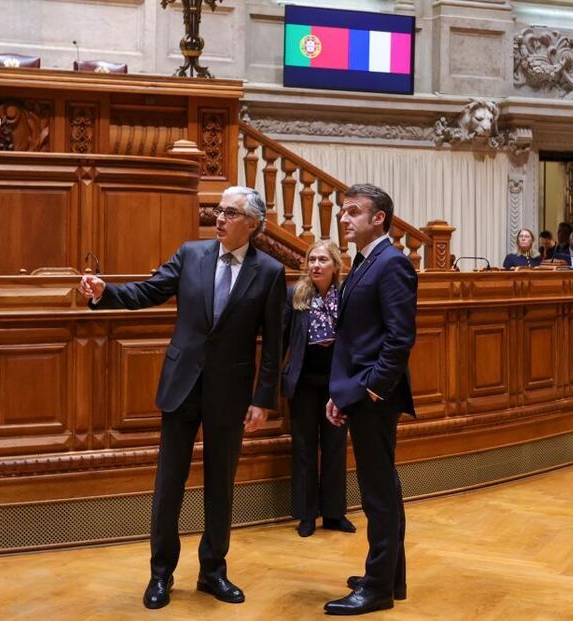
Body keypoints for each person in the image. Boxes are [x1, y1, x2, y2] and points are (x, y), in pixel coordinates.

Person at [78, 187, 285, 610]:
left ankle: (213, 571)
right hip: (181, 385)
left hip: (230, 392)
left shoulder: (270, 272)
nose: (219, 219)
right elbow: (150, 291)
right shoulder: (191, 254)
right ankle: (160, 574)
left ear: (252, 224)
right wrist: (105, 292)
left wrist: (263, 398)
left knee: (220, 485)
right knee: (168, 484)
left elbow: (274, 342)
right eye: (218, 211)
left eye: (230, 213)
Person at [323, 184, 417, 616]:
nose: (344, 218)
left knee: (378, 493)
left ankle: (377, 588)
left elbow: (400, 338)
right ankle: (390, 576)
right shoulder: (364, 261)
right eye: (343, 212)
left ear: (379, 218)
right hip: (359, 390)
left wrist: (373, 390)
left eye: (353, 212)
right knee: (382, 489)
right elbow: (356, 337)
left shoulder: (392, 262)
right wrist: (341, 393)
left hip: (375, 396)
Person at [282, 240, 355, 538]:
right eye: (311, 260)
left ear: (335, 266)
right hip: (303, 382)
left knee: (335, 446)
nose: (315, 265)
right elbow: (281, 338)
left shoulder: (347, 295)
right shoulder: (294, 295)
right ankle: (307, 514)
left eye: (322, 260)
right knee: (304, 447)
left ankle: (335, 513)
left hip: (336, 382)